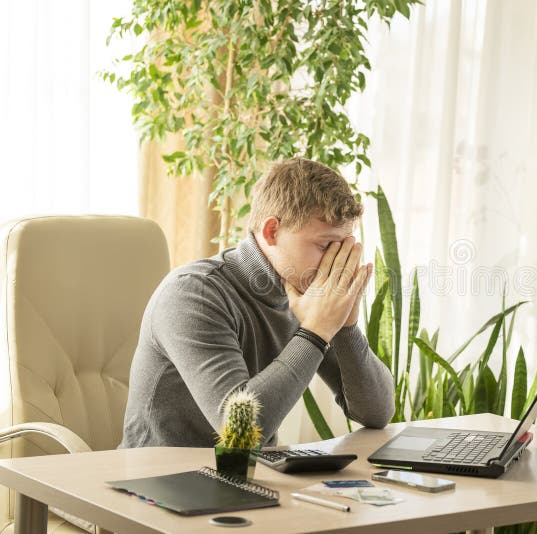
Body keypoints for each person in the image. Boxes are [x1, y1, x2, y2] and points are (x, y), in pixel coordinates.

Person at [119, 158, 395, 448]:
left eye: (344, 247)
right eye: (325, 246)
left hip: (246, 478)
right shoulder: (193, 295)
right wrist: (315, 332)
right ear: (271, 231)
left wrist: (347, 326)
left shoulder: (305, 294)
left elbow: (376, 413)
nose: (335, 262)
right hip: (155, 481)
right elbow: (239, 432)